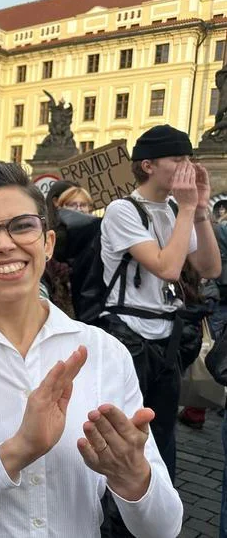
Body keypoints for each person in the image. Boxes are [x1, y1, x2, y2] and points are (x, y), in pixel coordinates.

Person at [0, 161, 182, 537]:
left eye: (22, 226)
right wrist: (18, 451)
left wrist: (135, 478)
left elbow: (164, 528)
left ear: (48, 242)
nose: (5, 244)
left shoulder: (104, 352)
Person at [98, 125, 220, 483]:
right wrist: (185, 209)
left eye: (189, 159)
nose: (188, 168)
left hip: (166, 337)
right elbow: (168, 268)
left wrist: (197, 211)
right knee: (124, 429)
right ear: (148, 165)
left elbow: (210, 268)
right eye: (178, 159)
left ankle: (157, 509)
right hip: (128, 336)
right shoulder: (122, 210)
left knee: (163, 431)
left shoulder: (174, 208)